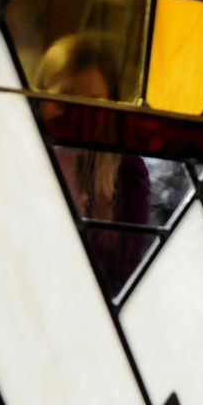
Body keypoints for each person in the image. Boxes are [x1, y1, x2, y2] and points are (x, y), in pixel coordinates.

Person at [35, 34, 151, 300]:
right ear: (41, 98)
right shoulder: (22, 158)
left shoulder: (128, 171)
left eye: (94, 104)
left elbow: (128, 271)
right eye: (67, 99)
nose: (79, 115)